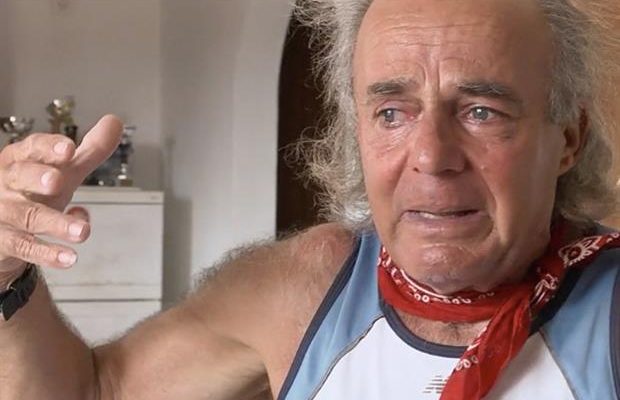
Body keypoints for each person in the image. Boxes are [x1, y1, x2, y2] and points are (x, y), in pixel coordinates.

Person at [0, 0, 618, 399]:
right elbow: (95, 391)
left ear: (568, 137)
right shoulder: (308, 286)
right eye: (392, 113)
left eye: (482, 111)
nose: (431, 157)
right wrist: (9, 274)